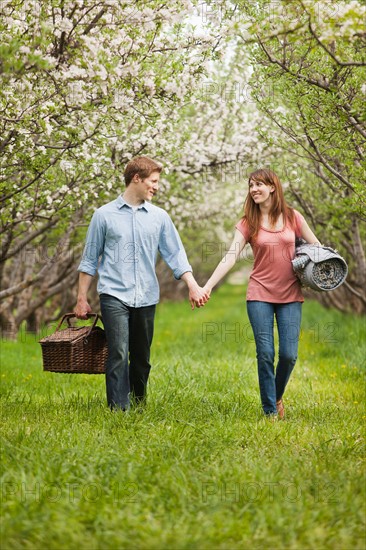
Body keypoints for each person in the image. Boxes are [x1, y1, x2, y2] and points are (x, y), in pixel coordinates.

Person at [74, 156, 208, 410]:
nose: (156, 187)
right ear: (137, 178)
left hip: (146, 295)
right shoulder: (103, 215)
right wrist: (82, 298)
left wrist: (192, 284)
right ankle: (118, 409)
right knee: (118, 353)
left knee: (141, 358)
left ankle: (138, 405)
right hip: (113, 294)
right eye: (154, 181)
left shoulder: (159, 217)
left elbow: (175, 254)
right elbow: (89, 259)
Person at [202, 168, 320, 419]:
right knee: (265, 353)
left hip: (290, 294)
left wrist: (326, 269)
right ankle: (269, 412)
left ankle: (276, 396)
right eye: (250, 185)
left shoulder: (293, 217)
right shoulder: (248, 222)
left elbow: (317, 248)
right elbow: (230, 256)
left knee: (289, 355)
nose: (253, 189)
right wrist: (208, 285)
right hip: (260, 293)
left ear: (272, 188)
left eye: (259, 184)